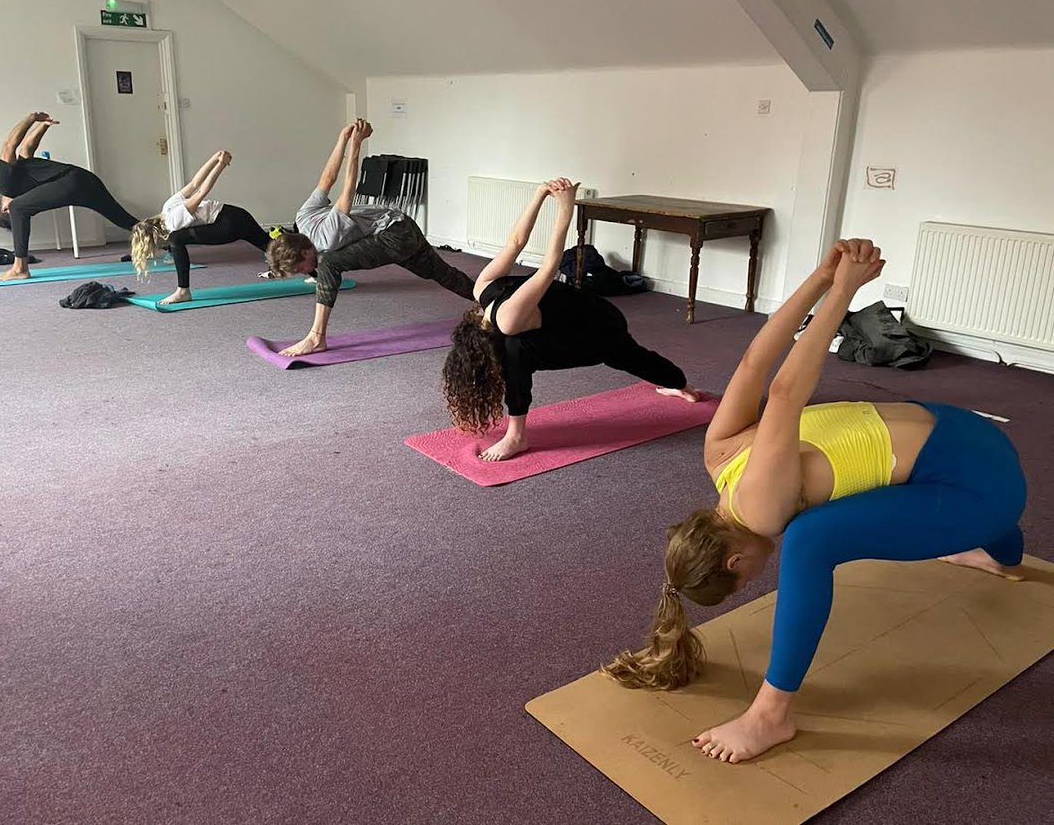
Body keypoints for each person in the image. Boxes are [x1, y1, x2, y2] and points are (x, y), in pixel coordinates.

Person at [603, 239, 1028, 763]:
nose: (762, 571)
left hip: (983, 488)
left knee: (810, 536)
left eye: (749, 578)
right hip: (963, 433)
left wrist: (844, 289)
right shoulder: (717, 454)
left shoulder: (759, 509)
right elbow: (755, 361)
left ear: (736, 562)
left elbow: (786, 393)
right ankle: (1001, 549)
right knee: (856, 489)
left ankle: (771, 714)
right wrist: (818, 279)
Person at [440, 178, 699, 462]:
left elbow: (543, 262)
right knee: (518, 348)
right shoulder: (483, 290)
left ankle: (517, 436)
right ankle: (681, 384)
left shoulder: (508, 317)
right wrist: (539, 196)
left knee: (621, 355)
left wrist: (564, 206)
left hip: (600, 325)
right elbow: (517, 242)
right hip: (579, 318)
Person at [265, 119, 474, 356]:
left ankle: (316, 337)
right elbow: (327, 178)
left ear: (304, 252)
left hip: (395, 236)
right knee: (442, 274)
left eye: (300, 268)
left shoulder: (326, 239)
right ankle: (493, 299)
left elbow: (348, 189)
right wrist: (341, 139)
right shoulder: (303, 217)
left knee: (329, 264)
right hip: (401, 225)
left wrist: (355, 145)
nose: (303, 272)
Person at [0, 112, 138, 281]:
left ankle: (19, 268)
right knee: (125, 220)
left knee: (18, 207)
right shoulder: (23, 187)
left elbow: (9, 145)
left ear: (4, 210)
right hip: (84, 179)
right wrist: (43, 126)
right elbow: (27, 148)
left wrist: (31, 119)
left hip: (72, 182)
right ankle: (172, 242)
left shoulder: (3, 183)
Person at [129, 150, 271, 305]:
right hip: (236, 214)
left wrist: (221, 164)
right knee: (274, 248)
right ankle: (299, 257)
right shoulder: (167, 207)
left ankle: (183, 290)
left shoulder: (173, 222)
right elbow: (194, 183)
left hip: (228, 224)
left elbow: (201, 192)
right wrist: (215, 158)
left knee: (176, 238)